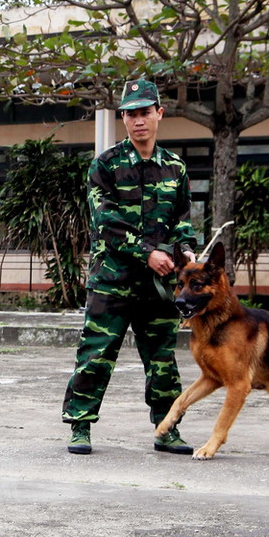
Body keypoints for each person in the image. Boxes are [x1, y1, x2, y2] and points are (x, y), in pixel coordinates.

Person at [61, 78, 198, 455]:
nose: (139, 120)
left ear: (159, 114)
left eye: (145, 112)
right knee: (96, 354)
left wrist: (186, 252)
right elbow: (104, 221)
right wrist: (147, 252)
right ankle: (80, 426)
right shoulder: (105, 165)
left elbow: (182, 220)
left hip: (159, 283)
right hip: (112, 281)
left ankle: (167, 429)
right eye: (131, 114)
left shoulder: (175, 167)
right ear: (123, 118)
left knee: (163, 360)